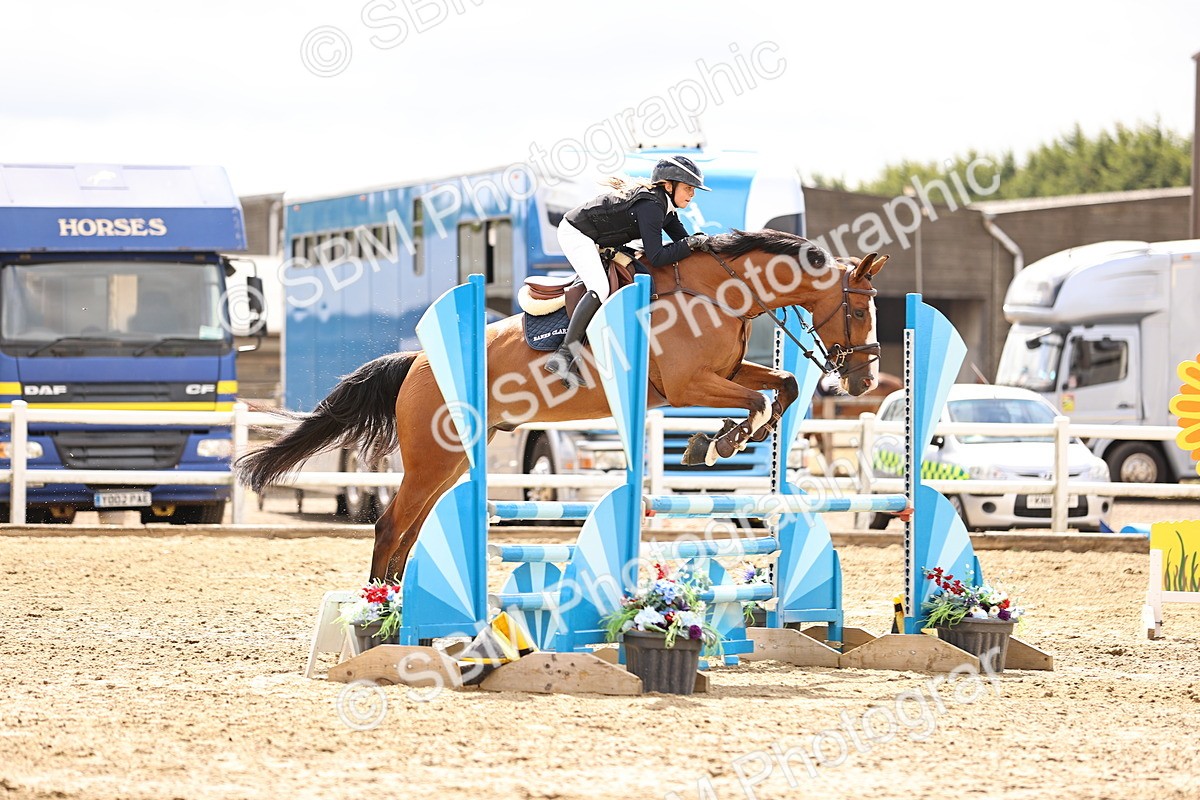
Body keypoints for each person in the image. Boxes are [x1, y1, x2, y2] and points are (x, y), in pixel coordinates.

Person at [546, 155, 714, 387]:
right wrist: (690, 244)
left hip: (598, 236)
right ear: (668, 185)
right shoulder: (652, 207)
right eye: (687, 188)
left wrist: (707, 244)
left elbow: (684, 241)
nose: (692, 194)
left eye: (693, 189)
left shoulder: (666, 209)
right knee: (600, 288)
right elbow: (658, 256)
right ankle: (563, 356)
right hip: (576, 233)